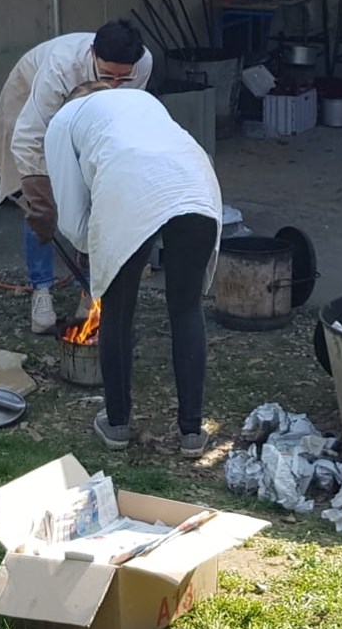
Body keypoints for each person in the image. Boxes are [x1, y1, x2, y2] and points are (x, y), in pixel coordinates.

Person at [39, 86, 221, 457]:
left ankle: (117, 424)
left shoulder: (61, 122)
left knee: (117, 312)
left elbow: (73, 219)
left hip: (129, 183)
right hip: (196, 179)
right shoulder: (142, 99)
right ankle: (191, 433)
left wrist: (100, 250)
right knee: (186, 307)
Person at [0, 23, 153, 333]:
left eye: (123, 78)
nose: (116, 85)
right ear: (92, 55)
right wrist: (39, 195)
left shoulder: (142, 64)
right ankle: (42, 290)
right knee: (40, 205)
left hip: (90, 116)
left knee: (95, 198)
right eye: (107, 76)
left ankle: (89, 289)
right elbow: (29, 135)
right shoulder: (61, 66)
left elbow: (122, 116)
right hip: (34, 106)